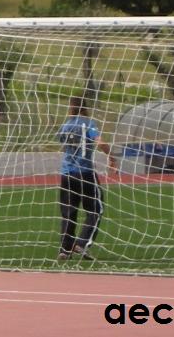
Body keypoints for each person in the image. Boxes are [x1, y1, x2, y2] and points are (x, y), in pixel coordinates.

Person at [56, 97, 115, 261]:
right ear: (85, 107)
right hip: (85, 173)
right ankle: (81, 243)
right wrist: (111, 156)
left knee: (69, 213)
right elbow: (100, 142)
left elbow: (63, 144)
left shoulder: (65, 126)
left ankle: (64, 249)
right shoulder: (88, 124)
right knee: (96, 210)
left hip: (66, 174)